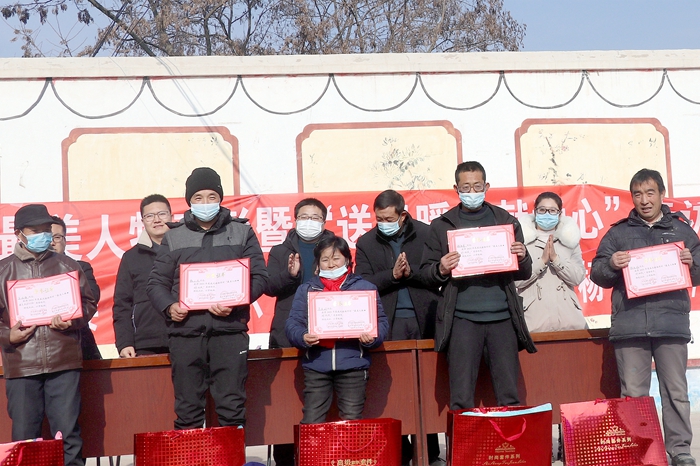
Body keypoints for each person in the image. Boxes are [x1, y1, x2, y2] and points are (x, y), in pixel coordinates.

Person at [591, 169, 699, 466]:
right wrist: (611, 264)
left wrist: (692, 263)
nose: (644, 200)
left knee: (676, 392)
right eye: (637, 194)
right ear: (632, 198)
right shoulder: (618, 233)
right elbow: (597, 273)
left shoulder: (682, 231)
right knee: (633, 395)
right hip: (631, 325)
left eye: (650, 193)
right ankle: (639, 451)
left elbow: (699, 271)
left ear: (662, 194)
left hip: (671, 324)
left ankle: (680, 450)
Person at [147, 167, 268, 429]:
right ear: (189, 201)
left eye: (212, 196)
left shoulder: (241, 232)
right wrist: (170, 306)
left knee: (232, 407)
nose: (205, 203)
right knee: (188, 410)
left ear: (220, 199)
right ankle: (190, 451)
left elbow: (259, 277)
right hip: (186, 334)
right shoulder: (174, 236)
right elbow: (156, 283)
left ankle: (231, 451)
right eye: (198, 197)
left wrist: (237, 301)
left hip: (229, 331)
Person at [420, 161, 536, 411]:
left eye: (477, 186)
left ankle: (510, 437)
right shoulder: (442, 225)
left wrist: (523, 256)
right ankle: (464, 438)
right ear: (456, 189)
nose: (472, 192)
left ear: (486, 187)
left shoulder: (506, 221)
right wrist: (441, 268)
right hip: (462, 319)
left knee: (509, 395)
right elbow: (425, 274)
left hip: (502, 317)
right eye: (466, 187)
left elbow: (524, 272)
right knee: (461, 397)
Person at [0, 204, 98, 466]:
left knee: (68, 435)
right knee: (24, 438)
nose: (43, 236)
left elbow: (88, 304)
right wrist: (8, 336)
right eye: (35, 231)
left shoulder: (67, 265)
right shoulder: (3, 270)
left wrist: (72, 320)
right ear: (19, 234)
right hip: (22, 364)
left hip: (63, 362)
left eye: (46, 230)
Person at [355, 189, 443, 466]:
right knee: (396, 389)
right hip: (389, 322)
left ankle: (430, 451)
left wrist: (411, 273)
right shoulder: (366, 242)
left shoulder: (427, 234)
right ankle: (401, 451)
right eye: (379, 219)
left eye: (389, 219)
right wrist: (392, 276)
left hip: (425, 318)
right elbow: (362, 283)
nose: (383, 223)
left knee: (426, 387)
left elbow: (437, 276)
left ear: (403, 215)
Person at [285, 235, 389, 424]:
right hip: (316, 364)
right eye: (325, 259)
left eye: (336, 258)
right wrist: (303, 336)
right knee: (312, 421)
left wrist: (372, 338)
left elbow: (381, 322)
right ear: (318, 263)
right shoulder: (307, 290)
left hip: (352, 364)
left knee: (351, 421)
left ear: (347, 259)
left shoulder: (364, 288)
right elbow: (293, 323)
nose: (331, 264)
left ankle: (348, 447)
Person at [264, 198, 334, 466]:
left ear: (324, 222)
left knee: (320, 395)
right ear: (295, 220)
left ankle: (321, 453)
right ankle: (284, 457)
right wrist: (290, 275)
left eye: (315, 218)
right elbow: (269, 286)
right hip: (287, 331)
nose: (309, 222)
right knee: (285, 398)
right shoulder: (281, 250)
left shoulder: (334, 246)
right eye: (304, 217)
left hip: (326, 328)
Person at [515, 192, 587, 333]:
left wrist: (556, 260)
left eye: (552, 210)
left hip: (569, 321)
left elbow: (578, 277)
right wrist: (541, 262)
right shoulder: (522, 242)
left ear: (559, 214)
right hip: (532, 322)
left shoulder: (569, 241)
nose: (547, 214)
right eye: (542, 210)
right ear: (535, 212)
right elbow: (516, 282)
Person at [113, 194, 172, 357]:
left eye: (162, 214)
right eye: (150, 216)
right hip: (146, 342)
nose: (157, 220)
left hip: (186, 336)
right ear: (143, 221)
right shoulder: (131, 257)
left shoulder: (186, 250)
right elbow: (122, 304)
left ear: (171, 216)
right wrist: (124, 343)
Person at [51, 216, 102, 360]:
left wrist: (70, 320)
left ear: (65, 240)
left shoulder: (81, 268)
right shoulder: (28, 273)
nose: (52, 242)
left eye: (57, 237)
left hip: (79, 342)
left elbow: (92, 296)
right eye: (47, 237)